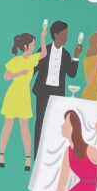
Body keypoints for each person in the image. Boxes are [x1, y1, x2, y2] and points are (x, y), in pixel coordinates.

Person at [32, 20, 83, 160]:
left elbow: (72, 73)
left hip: (58, 94)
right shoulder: (44, 50)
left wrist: (76, 56)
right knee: (40, 123)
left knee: (55, 125)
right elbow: (33, 69)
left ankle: (51, 156)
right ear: (56, 34)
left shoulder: (66, 55)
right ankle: (37, 156)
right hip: (42, 92)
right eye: (64, 34)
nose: (67, 37)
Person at [0, 28, 47, 170]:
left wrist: (43, 37)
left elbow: (44, 53)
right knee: (8, 125)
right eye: (32, 45)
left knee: (25, 127)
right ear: (25, 46)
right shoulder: (16, 60)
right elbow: (6, 76)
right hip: (13, 95)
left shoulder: (32, 59)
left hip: (24, 96)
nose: (34, 47)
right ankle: (1, 155)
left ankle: (28, 159)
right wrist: (19, 73)